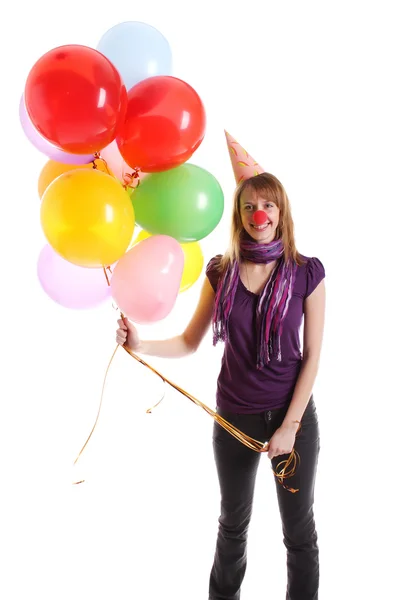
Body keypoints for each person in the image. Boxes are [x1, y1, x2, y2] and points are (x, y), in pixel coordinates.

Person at [115, 131, 326, 600]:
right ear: (240, 215)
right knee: (232, 527)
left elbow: (312, 357)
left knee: (299, 532)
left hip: (293, 421)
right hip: (233, 418)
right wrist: (141, 344)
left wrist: (290, 426)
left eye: (268, 206)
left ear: (281, 212)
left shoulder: (306, 272)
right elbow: (191, 342)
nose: (260, 215)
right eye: (250, 207)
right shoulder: (220, 272)